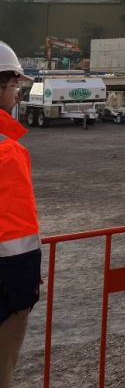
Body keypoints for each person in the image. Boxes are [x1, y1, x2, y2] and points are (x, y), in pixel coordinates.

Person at [0, 42, 39, 388]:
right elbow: (17, 240)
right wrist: (23, 295)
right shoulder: (8, 152)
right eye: (14, 86)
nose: (16, 95)